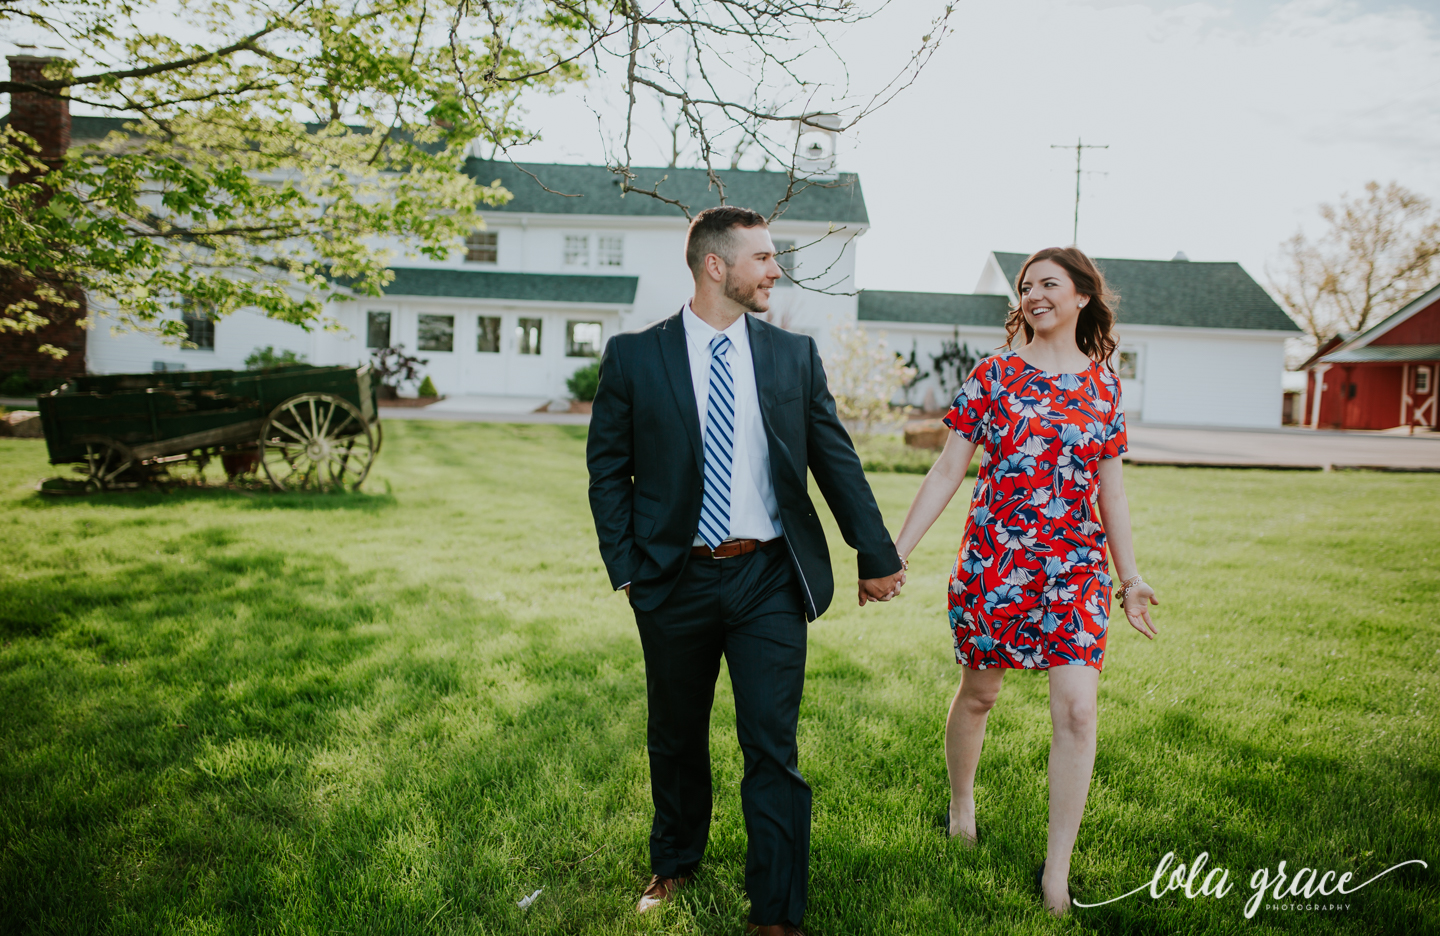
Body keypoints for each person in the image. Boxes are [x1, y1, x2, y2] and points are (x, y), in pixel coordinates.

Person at [586, 206, 907, 936]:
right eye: (762, 257)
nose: (775, 269)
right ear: (714, 265)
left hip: (767, 578)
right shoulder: (636, 357)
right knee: (675, 733)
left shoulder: (792, 356)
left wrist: (876, 552)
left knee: (772, 743)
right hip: (673, 578)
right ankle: (674, 863)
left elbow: (835, 458)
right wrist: (628, 566)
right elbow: (608, 468)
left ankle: (778, 912)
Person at [890, 246, 1159, 917]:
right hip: (996, 563)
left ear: (1083, 298)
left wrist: (1130, 578)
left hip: (1074, 571)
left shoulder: (1105, 386)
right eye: (1025, 286)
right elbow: (948, 471)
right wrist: (895, 552)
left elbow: (1113, 494)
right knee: (979, 695)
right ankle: (961, 804)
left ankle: (1056, 873)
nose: (1033, 295)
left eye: (1049, 283)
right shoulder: (994, 376)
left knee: (1077, 710)